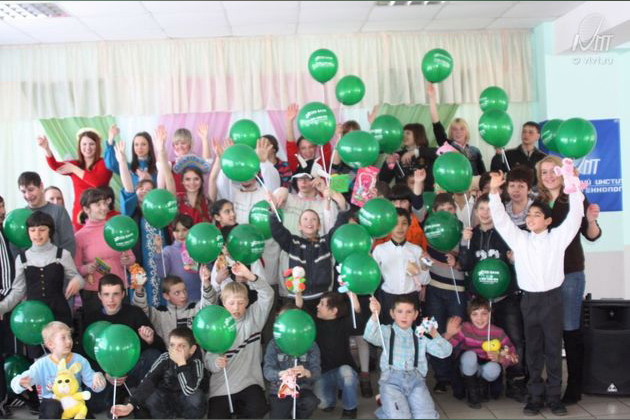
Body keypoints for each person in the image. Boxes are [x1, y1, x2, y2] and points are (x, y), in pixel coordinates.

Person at [488, 169, 585, 416]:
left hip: (553, 300)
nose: (531, 218)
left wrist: (573, 186)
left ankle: (554, 397)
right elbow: (500, 220)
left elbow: (575, 218)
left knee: (553, 349)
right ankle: (534, 397)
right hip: (529, 300)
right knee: (533, 351)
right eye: (529, 214)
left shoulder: (557, 238)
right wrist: (494, 191)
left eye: (537, 214)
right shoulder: (520, 239)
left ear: (548, 221)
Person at [536, 155, 601, 405]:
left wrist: (592, 221)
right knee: (548, 332)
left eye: (552, 171)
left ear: (562, 173)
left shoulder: (575, 196)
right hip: (544, 275)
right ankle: (549, 385)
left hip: (570, 273)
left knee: (570, 329)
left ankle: (575, 385)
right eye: (543, 172)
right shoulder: (539, 202)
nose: (548, 176)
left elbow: (592, 234)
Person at [459, 194, 527, 402]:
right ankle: (482, 381)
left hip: (506, 297)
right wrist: (464, 242)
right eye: (481, 209)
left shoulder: (507, 233)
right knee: (480, 340)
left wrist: (515, 260)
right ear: (476, 211)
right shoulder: (471, 234)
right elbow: (465, 265)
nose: (485, 213)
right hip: (480, 300)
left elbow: (520, 265)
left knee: (514, 339)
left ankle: (516, 381)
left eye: (490, 209)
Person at [84, 274, 165, 414]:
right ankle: (121, 396)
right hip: (107, 374)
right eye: (106, 294)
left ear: (123, 294)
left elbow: (161, 350)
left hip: (133, 371)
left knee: (153, 355)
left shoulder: (135, 313)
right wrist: (105, 374)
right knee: (93, 404)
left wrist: (150, 340)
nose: (111, 300)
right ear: (99, 296)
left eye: (115, 294)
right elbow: (85, 354)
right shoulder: (92, 318)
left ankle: (135, 396)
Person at [364, 295, 452, 419]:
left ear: (415, 315)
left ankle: (388, 404)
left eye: (409, 312)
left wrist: (435, 334)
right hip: (391, 381)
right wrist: (375, 314)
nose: (404, 316)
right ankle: (388, 405)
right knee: (400, 416)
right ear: (392, 314)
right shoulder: (386, 332)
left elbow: (444, 352)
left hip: (416, 381)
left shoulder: (420, 336)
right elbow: (369, 336)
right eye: (400, 311)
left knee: (427, 416)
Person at [204, 264, 274, 419]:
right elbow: (208, 360)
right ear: (223, 303)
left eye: (241, 303)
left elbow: (268, 294)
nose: (236, 307)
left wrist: (250, 277)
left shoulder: (255, 317)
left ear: (247, 302)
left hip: (249, 382)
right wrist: (216, 363)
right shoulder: (217, 325)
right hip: (222, 386)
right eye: (231, 303)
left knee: (258, 410)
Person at [269, 192, 349, 314]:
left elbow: (339, 229)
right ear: (299, 226)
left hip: (322, 299)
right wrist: (273, 211)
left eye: (313, 219)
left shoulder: (326, 242)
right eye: (305, 219)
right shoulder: (292, 242)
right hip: (295, 298)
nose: (309, 222)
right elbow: (277, 230)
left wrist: (342, 208)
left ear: (319, 226)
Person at [0, 212, 83, 329]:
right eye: (32, 230)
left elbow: (77, 277)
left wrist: (77, 281)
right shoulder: (22, 258)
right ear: (28, 232)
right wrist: (2, 307)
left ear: (50, 231)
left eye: (42, 230)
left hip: (58, 312)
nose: (37, 234)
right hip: (32, 315)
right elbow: (18, 291)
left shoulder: (62, 254)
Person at [10, 321, 106, 419]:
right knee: (52, 408)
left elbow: (95, 386)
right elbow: (16, 384)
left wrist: (98, 379)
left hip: (75, 402)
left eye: (69, 337)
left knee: (84, 413)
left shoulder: (79, 360)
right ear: (50, 344)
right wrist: (20, 383)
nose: (69, 341)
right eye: (63, 338)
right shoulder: (41, 364)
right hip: (52, 403)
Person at [110, 327, 206, 419]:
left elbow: (189, 390)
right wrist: (130, 406)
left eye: (181, 346)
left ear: (192, 349)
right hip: (166, 398)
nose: (175, 350)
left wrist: (181, 364)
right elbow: (149, 380)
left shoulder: (196, 362)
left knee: (196, 398)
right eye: (172, 345)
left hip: (185, 399)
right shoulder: (165, 358)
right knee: (151, 396)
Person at [423, 193, 467, 394]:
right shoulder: (429, 231)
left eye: (450, 209)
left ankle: (456, 374)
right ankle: (441, 376)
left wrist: (457, 262)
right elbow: (422, 258)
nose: (447, 213)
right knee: (434, 331)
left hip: (457, 290)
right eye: (442, 210)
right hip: (434, 289)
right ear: (434, 212)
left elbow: (469, 260)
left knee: (457, 331)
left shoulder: (462, 231)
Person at [115, 141, 165, 306]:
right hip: (139, 265)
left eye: (149, 189)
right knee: (141, 302)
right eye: (141, 188)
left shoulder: (159, 212)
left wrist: (161, 152)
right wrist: (122, 162)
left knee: (161, 302)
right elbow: (128, 189)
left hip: (159, 265)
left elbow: (162, 185)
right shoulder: (131, 212)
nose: (144, 191)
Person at [443, 297, 518, 409]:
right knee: (469, 355)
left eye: (484, 313)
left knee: (494, 368)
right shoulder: (465, 328)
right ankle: (472, 392)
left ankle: (483, 387)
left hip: (486, 368)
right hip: (467, 368)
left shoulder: (498, 332)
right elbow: (445, 349)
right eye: (475, 314)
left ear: (490, 314)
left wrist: (500, 358)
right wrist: (448, 334)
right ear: (469, 315)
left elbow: (514, 358)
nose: (480, 318)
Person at [74, 188, 135, 313]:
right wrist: (87, 268)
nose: (104, 207)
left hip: (119, 290)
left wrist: (127, 261)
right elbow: (76, 268)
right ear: (86, 209)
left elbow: (131, 258)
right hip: (94, 293)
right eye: (98, 204)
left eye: (104, 203)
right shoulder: (79, 237)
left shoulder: (117, 228)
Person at [37, 130, 113, 230]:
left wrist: (74, 169)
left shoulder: (104, 163)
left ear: (97, 146)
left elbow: (97, 183)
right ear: (79, 146)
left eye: (91, 144)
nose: (88, 147)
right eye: (84, 144)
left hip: (99, 213)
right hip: (78, 214)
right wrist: (46, 149)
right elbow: (55, 166)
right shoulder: (76, 164)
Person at [304, 292, 360, 419]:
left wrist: (353, 297)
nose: (317, 306)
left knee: (348, 375)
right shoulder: (315, 322)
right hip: (323, 372)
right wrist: (297, 292)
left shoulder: (344, 323)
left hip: (342, 370)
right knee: (323, 404)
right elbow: (300, 307)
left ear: (334, 311)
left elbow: (356, 314)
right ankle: (333, 395)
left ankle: (350, 409)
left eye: (322, 304)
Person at [263, 304, 321, 419]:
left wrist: (306, 372)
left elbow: (317, 372)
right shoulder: (273, 344)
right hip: (279, 389)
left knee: (310, 402)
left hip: (302, 388)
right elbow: (267, 371)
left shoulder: (311, 344)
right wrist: (281, 374)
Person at [373, 208, 429, 325]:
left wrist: (424, 266)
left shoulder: (416, 250)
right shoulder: (380, 250)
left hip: (411, 298)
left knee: (411, 332)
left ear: (409, 226)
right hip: (388, 298)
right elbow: (373, 277)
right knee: (388, 331)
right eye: (395, 223)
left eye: (404, 223)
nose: (400, 227)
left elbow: (425, 280)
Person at [133, 271, 217, 343]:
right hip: (171, 354)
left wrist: (206, 281)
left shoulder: (195, 308)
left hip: (195, 354)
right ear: (166, 296)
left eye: (184, 290)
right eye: (177, 293)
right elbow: (140, 311)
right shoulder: (160, 314)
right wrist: (139, 288)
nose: (183, 295)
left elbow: (209, 303)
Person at [427, 83, 485, 175]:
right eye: (454, 129)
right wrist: (432, 98)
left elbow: (483, 174)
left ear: (466, 132)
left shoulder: (475, 151)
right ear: (451, 132)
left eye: (462, 129)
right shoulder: (446, 145)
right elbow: (436, 124)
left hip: (474, 183)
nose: (458, 132)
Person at [16, 172, 75, 256]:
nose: (28, 195)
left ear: (41, 186)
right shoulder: (20, 215)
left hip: (57, 262)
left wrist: (59, 262)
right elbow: (16, 247)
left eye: (31, 190)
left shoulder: (58, 211)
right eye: (23, 192)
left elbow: (69, 243)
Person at [380, 123, 437, 191]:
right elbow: (383, 180)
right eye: (403, 133)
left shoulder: (427, 152)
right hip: (402, 195)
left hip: (425, 194)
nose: (404, 136)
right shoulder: (397, 155)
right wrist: (388, 165)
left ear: (418, 135)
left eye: (408, 133)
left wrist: (415, 152)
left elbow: (442, 152)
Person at [285, 103, 332, 174]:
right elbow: (290, 147)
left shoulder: (323, 163)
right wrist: (289, 121)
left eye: (311, 147)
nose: (308, 151)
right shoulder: (295, 164)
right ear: (299, 150)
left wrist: (323, 120)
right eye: (303, 148)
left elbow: (325, 146)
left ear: (316, 147)